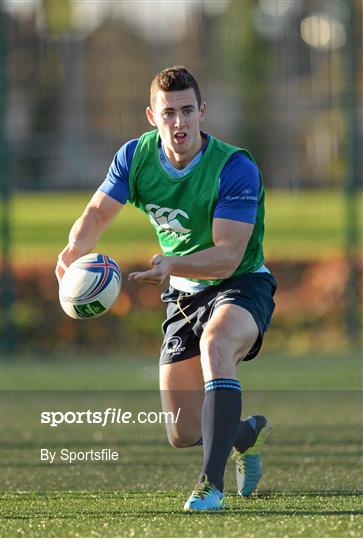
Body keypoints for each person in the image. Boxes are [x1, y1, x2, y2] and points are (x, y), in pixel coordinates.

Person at [56, 66, 277, 512]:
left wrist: (173, 262)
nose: (180, 122)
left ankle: (209, 487)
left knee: (217, 343)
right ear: (152, 117)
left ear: (202, 113)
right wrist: (70, 254)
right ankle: (242, 434)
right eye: (169, 112)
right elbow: (98, 214)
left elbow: (229, 255)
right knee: (183, 431)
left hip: (240, 283)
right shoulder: (135, 158)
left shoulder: (234, 167)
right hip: (183, 292)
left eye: (188, 111)